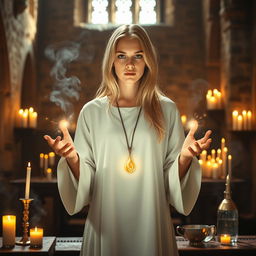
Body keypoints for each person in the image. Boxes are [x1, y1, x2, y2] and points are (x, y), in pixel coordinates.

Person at [44, 24, 212, 256]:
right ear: (111, 61)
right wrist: (72, 157)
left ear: (148, 61)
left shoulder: (167, 109)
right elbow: (87, 181)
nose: (130, 64)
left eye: (138, 56)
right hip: (106, 223)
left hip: (152, 222)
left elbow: (169, 180)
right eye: (121, 56)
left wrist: (185, 157)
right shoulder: (92, 112)